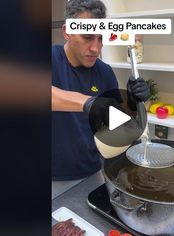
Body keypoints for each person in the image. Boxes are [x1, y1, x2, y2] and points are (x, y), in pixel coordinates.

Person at [52, 0, 149, 187]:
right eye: (87, 37)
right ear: (67, 32)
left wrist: (131, 103)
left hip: (92, 170)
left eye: (101, 38)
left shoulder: (105, 72)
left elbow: (115, 125)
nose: (96, 48)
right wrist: (87, 102)